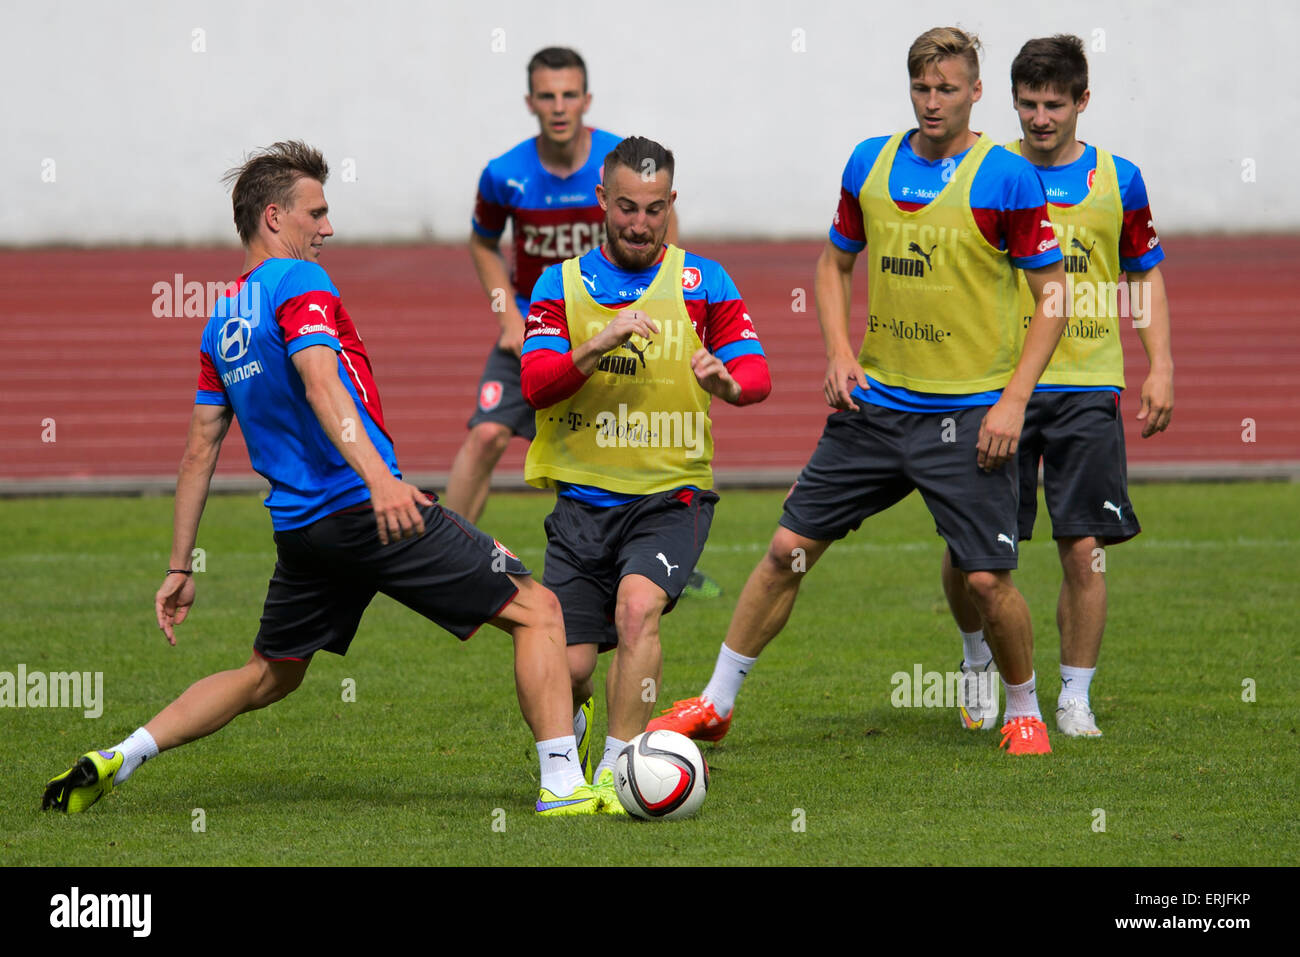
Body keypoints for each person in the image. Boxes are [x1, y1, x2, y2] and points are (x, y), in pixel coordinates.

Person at [42, 141, 601, 816]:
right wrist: (380, 481)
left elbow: (199, 448)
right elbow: (318, 378)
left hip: (303, 531)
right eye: (318, 211)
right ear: (275, 217)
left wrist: (178, 564)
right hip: (366, 508)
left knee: (267, 674)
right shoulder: (300, 283)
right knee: (538, 610)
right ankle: (563, 788)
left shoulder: (222, 320)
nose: (328, 228)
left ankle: (120, 755)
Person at [649, 26, 1069, 755]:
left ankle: (1024, 707)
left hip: (969, 413)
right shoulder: (869, 164)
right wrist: (840, 350)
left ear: (975, 92)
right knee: (786, 550)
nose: (933, 102)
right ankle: (716, 701)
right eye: (922, 87)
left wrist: (1014, 400)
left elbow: (1054, 295)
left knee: (988, 578)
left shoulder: (1007, 177)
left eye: (947, 88)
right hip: (874, 410)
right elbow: (832, 262)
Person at [520, 135, 771, 809]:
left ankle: (616, 770)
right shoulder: (561, 286)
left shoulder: (703, 283)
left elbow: (756, 373)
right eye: (626, 206)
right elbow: (537, 384)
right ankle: (573, 727)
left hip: (670, 495)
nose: (639, 223)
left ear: (671, 205)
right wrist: (596, 343)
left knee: (638, 610)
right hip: (581, 503)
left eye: (654, 209)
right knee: (570, 667)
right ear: (602, 200)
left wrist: (731, 384)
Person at [940, 34, 1172, 738]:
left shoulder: (1119, 179)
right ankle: (977, 659)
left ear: (1082, 102)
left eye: (1054, 105)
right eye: (1029, 104)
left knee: (1083, 545)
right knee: (969, 549)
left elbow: (1143, 273)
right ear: (1012, 102)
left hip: (1086, 385)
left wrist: (1159, 361)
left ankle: (1073, 696)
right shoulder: (983, 171)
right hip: (997, 384)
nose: (1041, 118)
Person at [448, 46, 722, 600]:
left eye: (569, 94)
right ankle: (445, 562)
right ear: (531, 102)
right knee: (486, 436)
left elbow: (665, 235)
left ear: (586, 99)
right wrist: (507, 314)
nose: (559, 106)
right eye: (547, 95)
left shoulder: (621, 165)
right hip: (542, 328)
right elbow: (482, 244)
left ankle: (655, 557)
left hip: (623, 329)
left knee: (638, 435)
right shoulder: (504, 175)